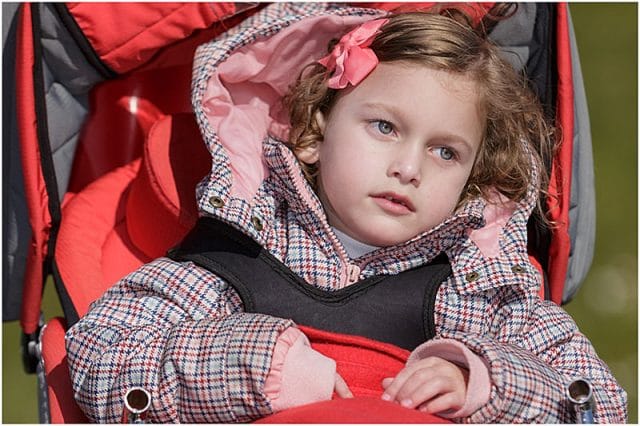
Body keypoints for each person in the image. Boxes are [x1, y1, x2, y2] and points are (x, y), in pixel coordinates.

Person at [65, 3, 627, 423]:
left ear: (472, 176)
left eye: (445, 151)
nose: (410, 167)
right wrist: (247, 365)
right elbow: (99, 364)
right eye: (385, 128)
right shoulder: (233, 256)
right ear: (314, 132)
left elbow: (595, 405)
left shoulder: (482, 293)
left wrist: (483, 382)